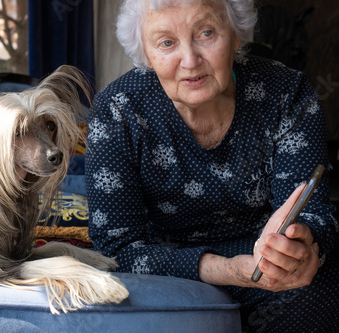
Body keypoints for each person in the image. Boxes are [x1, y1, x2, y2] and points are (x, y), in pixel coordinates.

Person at [85, 0, 339, 331]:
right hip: (169, 272)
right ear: (145, 54)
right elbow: (116, 247)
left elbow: (314, 212)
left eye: (207, 33)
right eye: (166, 42)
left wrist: (301, 244)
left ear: (236, 34)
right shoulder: (117, 111)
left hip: (274, 269)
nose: (190, 61)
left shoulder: (286, 93)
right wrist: (227, 269)